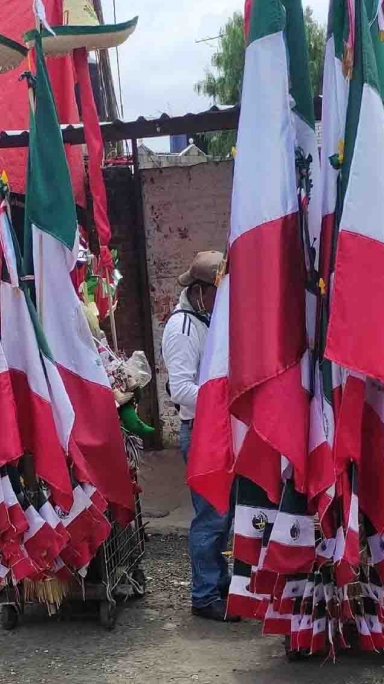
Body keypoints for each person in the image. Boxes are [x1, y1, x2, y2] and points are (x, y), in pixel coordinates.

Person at [161, 250, 239, 623]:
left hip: (217, 428)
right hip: (202, 429)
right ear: (200, 291)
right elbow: (181, 391)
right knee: (211, 517)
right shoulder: (183, 328)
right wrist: (227, 398)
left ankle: (218, 583)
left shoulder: (206, 320)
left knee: (223, 516)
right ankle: (204, 596)